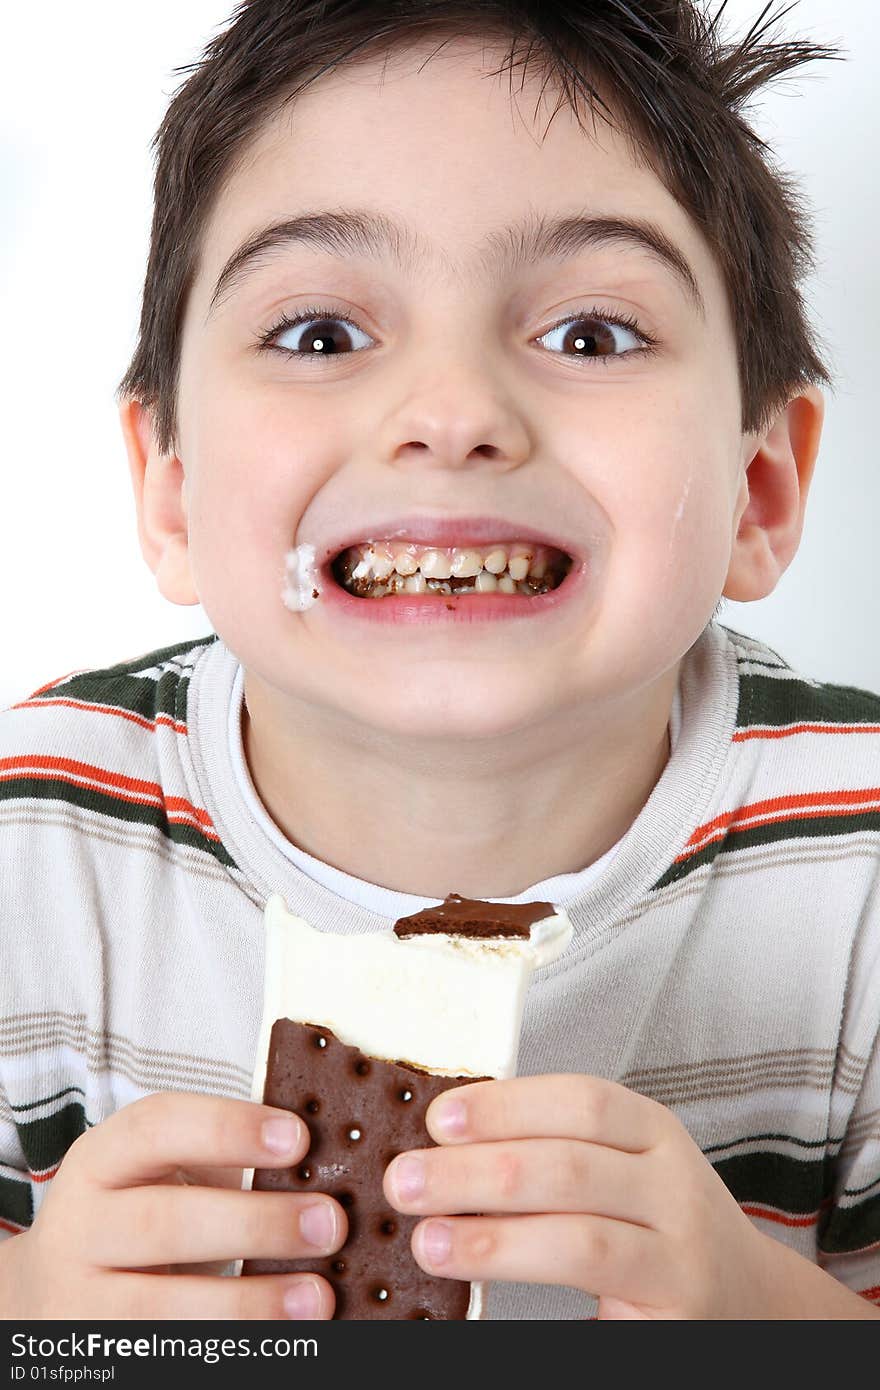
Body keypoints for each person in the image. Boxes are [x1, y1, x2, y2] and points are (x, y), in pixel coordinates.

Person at [1, 0, 877, 1321]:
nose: (454, 412)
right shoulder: (35, 841)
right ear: (171, 498)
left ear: (759, 490)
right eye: (320, 334)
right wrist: (35, 1319)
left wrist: (782, 1324)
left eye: (590, 334)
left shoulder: (858, 868)